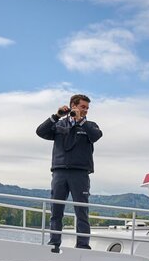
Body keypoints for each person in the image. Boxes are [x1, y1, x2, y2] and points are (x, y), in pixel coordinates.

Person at [36, 94, 103, 250]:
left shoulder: (90, 125)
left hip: (80, 173)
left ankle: (83, 245)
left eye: (87, 108)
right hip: (60, 172)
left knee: (82, 211)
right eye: (82, 107)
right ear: (73, 105)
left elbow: (96, 136)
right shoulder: (59, 124)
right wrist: (57, 115)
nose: (85, 110)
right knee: (56, 210)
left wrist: (80, 120)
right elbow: (40, 131)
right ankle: (54, 243)